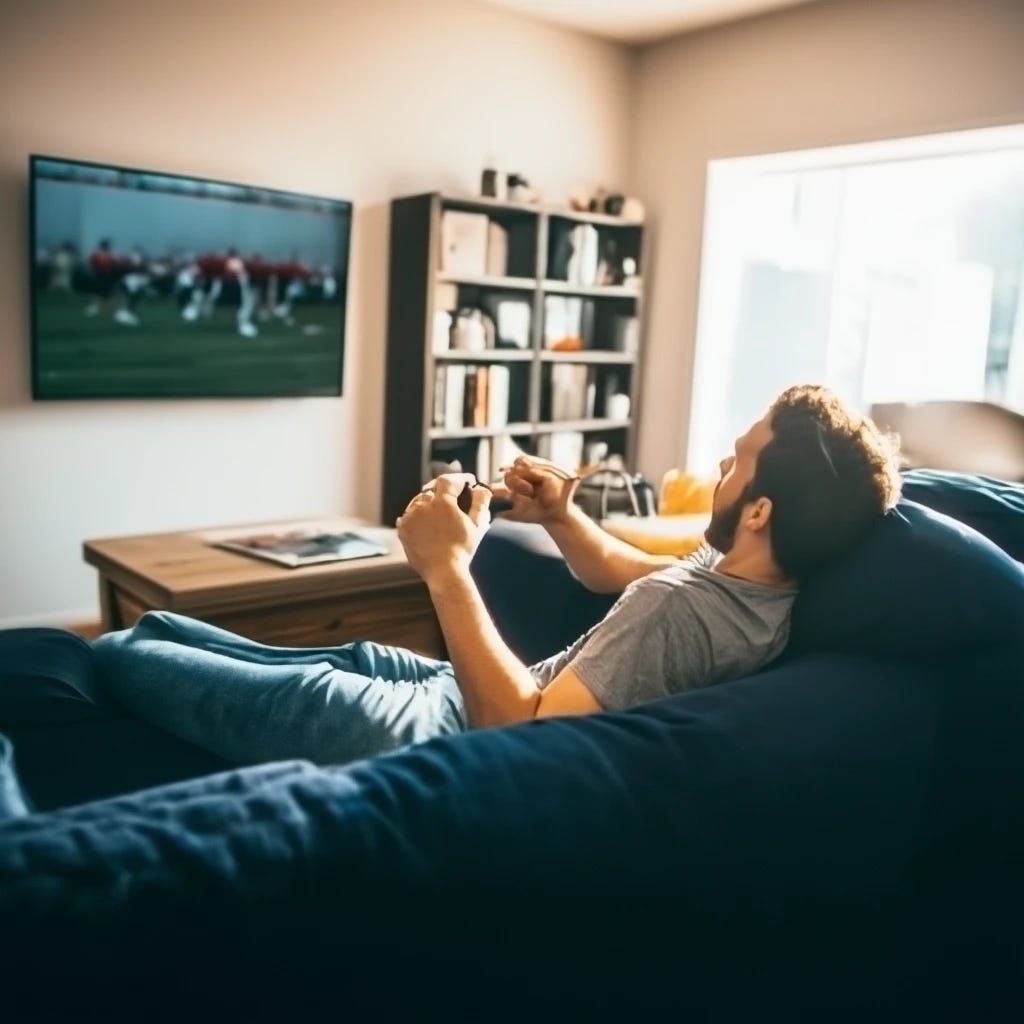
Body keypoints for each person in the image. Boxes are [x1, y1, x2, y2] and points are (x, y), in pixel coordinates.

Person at [91, 385, 902, 766]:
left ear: (760, 511)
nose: (723, 461)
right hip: (444, 687)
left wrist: (446, 567)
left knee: (123, 654)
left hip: (441, 727)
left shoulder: (680, 613)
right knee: (168, 628)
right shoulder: (755, 589)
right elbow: (620, 568)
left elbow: (519, 737)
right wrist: (560, 515)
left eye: (740, 459)